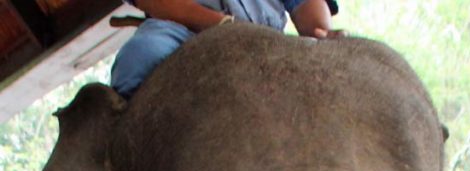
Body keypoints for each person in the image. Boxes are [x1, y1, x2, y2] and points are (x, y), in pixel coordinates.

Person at [111, 0, 342, 98]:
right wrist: (223, 25)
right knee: (139, 55)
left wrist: (319, 30)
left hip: (266, 41)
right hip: (179, 32)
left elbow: (305, 4)